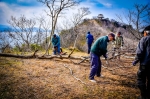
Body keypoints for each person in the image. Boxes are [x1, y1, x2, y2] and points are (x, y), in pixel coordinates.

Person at [132, 25, 150, 99]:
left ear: (146, 32)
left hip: (144, 64)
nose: (143, 34)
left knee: (141, 80)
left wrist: (135, 61)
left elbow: (140, 52)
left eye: (144, 32)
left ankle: (143, 96)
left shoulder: (144, 39)